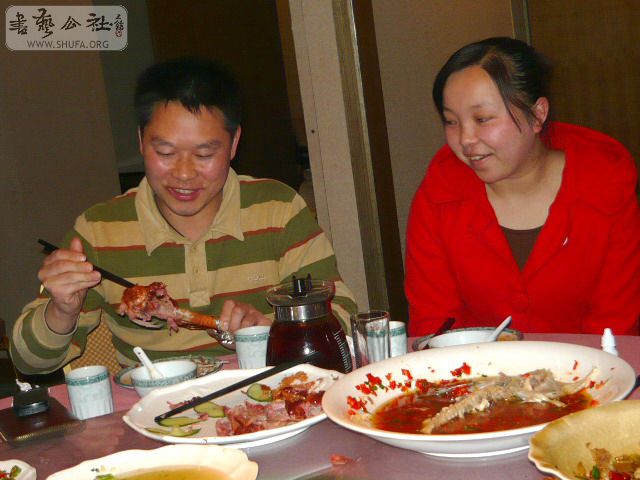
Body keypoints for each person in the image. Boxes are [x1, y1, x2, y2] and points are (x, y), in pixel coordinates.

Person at [11, 57, 356, 375]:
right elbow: (30, 363)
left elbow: (344, 319)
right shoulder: (100, 230)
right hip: (156, 412)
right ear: (141, 141)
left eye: (204, 154)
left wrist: (278, 334)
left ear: (234, 143)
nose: (184, 174)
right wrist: (62, 310)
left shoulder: (277, 210)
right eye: (165, 152)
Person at [405, 37, 640, 336]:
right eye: (451, 121)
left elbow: (615, 326)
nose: (465, 139)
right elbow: (435, 323)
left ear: (537, 114)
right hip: (473, 365)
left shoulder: (604, 187)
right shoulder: (439, 196)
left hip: (589, 364)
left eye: (482, 119)